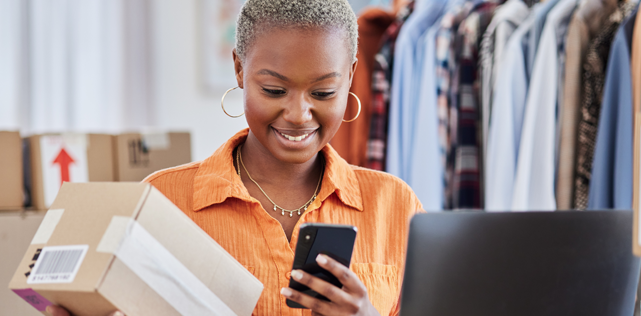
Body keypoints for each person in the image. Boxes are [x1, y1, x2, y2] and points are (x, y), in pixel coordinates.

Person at [47, 0, 422, 315]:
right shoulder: (162, 201)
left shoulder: (395, 205)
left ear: (351, 76)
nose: (298, 114)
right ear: (240, 69)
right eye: (274, 90)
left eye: (323, 92)